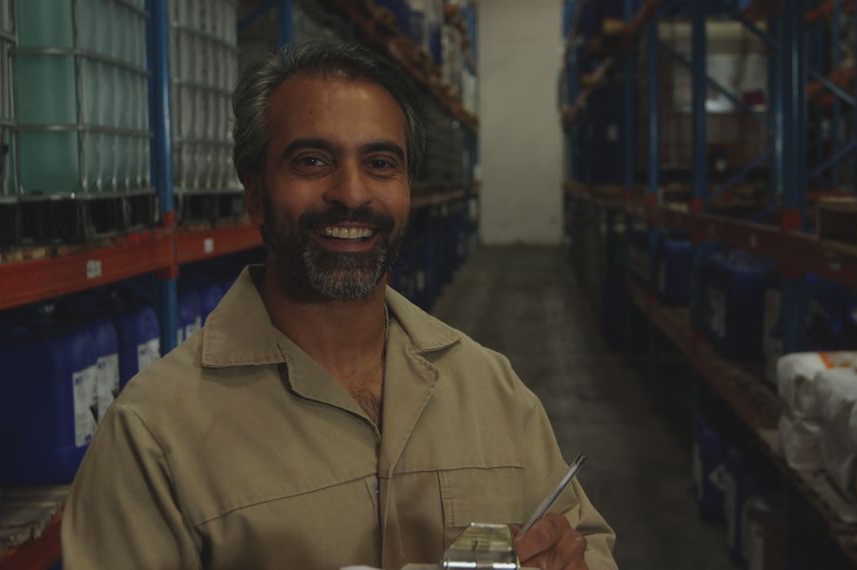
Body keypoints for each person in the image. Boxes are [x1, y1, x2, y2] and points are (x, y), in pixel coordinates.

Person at [63, 40, 617, 570]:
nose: (352, 193)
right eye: (311, 161)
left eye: (380, 164)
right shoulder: (155, 435)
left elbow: (585, 541)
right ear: (254, 191)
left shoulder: (493, 390)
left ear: (407, 188)